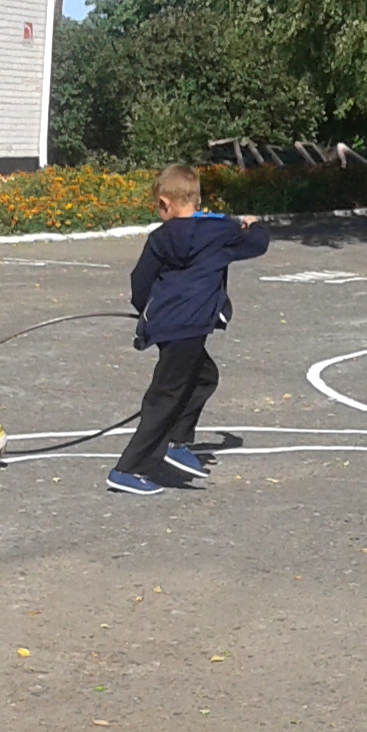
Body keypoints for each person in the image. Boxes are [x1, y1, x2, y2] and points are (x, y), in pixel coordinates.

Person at [108, 164, 269, 495]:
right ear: (197, 199)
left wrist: (152, 313)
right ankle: (129, 469)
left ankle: (177, 442)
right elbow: (258, 244)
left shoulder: (160, 238)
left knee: (204, 377)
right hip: (190, 326)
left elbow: (140, 282)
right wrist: (253, 225)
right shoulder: (221, 230)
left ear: (165, 203)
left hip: (172, 326)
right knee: (165, 397)